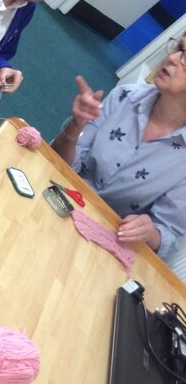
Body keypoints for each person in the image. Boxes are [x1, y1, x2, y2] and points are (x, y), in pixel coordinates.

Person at [51, 35, 186, 258]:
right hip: (60, 194)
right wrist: (75, 127)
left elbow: (167, 234)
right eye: (178, 48)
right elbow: (60, 162)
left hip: (102, 241)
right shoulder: (126, 96)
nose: (171, 58)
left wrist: (150, 233)